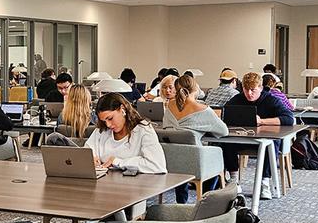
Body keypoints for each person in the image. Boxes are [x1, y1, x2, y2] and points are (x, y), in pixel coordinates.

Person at [221, 72, 295, 199]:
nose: (249, 94)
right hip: (242, 140)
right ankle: (234, 179)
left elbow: (289, 119)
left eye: (253, 90)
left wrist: (262, 121)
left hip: (265, 139)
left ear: (260, 88)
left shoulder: (271, 100)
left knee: (270, 143)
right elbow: (225, 116)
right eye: (246, 90)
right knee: (225, 142)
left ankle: (264, 182)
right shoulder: (237, 99)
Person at [163, 74, 228, 203]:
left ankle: (181, 202)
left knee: (181, 154)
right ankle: (205, 198)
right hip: (195, 163)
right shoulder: (203, 109)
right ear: (195, 89)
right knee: (217, 155)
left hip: (170, 162)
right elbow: (223, 131)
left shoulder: (169, 106)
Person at [86, 93, 166, 174]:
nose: (108, 125)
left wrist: (117, 162)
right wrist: (90, 159)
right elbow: (86, 152)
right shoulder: (101, 130)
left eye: (110, 118)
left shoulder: (143, 130)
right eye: (104, 121)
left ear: (122, 109)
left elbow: (157, 165)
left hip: (136, 184)